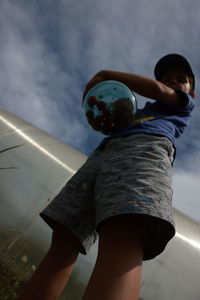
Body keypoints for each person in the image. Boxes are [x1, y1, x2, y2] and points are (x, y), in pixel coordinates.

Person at [18, 54, 196, 300]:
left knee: (125, 224)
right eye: (167, 78)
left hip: (142, 151)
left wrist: (106, 76)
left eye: (181, 79)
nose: (172, 82)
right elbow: (112, 120)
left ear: (192, 93)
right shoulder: (139, 113)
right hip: (104, 154)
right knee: (67, 234)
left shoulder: (182, 105)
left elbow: (156, 89)